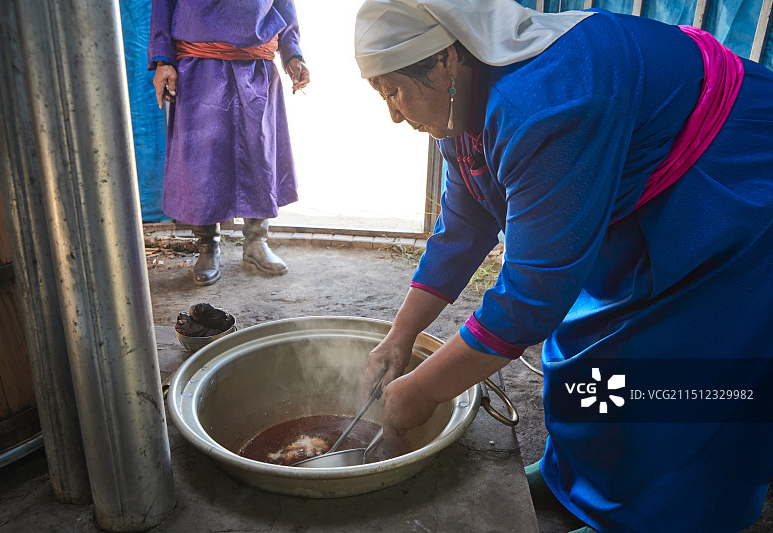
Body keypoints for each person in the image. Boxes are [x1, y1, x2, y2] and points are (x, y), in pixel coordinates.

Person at [354, 1, 773, 532]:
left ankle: (666, 519)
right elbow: (463, 228)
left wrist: (419, 393)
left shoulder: (544, 101)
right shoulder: (462, 109)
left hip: (737, 188)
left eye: (394, 90)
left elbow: (530, 299)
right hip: (653, 198)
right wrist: (399, 336)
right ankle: (575, 483)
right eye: (381, 96)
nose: (393, 113)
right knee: (588, 349)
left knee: (680, 372)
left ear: (445, 61)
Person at [148, 0, 310, 285]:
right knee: (203, 159)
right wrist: (164, 60)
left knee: (258, 153)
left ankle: (256, 242)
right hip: (199, 63)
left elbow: (283, 3)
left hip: (255, 61)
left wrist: (292, 52)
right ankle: (207, 248)